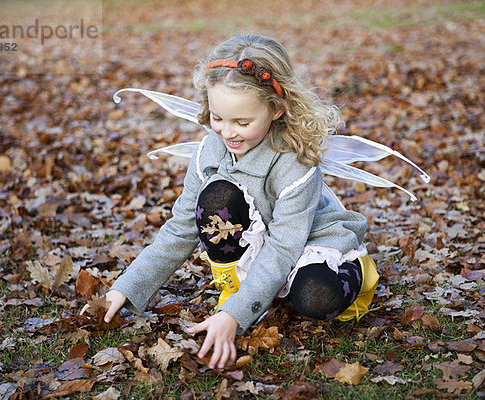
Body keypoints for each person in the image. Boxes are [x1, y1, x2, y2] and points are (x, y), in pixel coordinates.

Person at [82, 34, 379, 370]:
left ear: (276, 110)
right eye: (217, 118)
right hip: (254, 245)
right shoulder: (209, 153)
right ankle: (239, 292)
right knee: (217, 196)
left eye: (242, 122)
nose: (228, 133)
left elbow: (284, 248)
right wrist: (126, 288)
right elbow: (179, 230)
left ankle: (353, 274)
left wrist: (233, 317)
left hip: (305, 243)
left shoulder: (295, 162)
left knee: (317, 298)